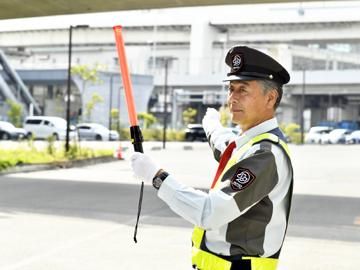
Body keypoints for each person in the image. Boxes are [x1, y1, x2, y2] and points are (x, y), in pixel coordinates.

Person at [131, 45, 293, 270]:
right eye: (231, 89)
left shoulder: (265, 155)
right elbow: (224, 145)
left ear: (270, 98)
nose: (232, 99)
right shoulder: (248, 144)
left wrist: (156, 176)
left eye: (242, 90)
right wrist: (211, 126)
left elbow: (209, 213)